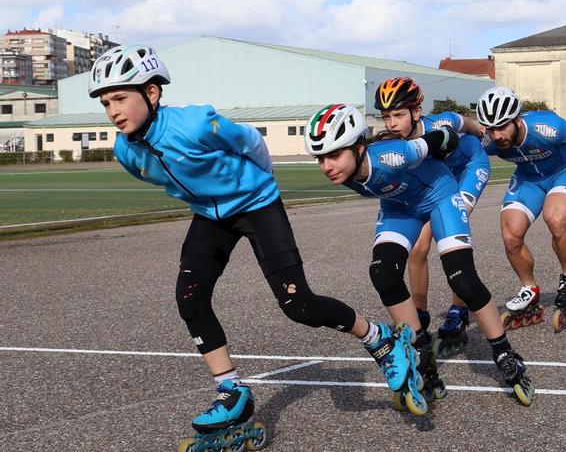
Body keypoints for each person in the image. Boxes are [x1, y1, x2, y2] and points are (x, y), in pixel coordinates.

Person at [89, 45, 427, 445]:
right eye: (106, 102)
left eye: (120, 98)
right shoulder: (125, 151)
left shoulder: (195, 123)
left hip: (257, 203)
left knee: (298, 304)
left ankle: (379, 339)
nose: (113, 111)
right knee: (190, 299)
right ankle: (231, 391)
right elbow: (164, 179)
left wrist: (258, 183)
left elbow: (249, 140)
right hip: (211, 216)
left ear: (151, 93)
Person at [305, 103, 535, 406]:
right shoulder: (346, 170)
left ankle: (504, 352)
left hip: (440, 197)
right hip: (399, 207)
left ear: (360, 147)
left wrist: (448, 138)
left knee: (462, 279)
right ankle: (423, 352)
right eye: (320, 158)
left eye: (334, 155)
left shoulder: (393, 155)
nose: (327, 166)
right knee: (383, 274)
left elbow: (437, 139)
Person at [374, 76, 490, 357]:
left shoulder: (439, 123)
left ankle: (459, 309)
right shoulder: (395, 145)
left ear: (416, 112)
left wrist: (482, 134)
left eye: (398, 115)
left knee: (444, 240)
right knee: (416, 249)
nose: (391, 123)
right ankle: (420, 313)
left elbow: (467, 123)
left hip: (467, 170)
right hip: (437, 183)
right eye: (386, 116)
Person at [476, 86, 566, 332]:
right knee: (510, 235)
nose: (496, 135)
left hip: (562, 171)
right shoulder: (489, 141)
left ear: (517, 120)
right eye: (491, 128)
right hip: (528, 178)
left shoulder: (548, 127)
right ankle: (529, 288)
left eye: (502, 126)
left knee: (555, 220)